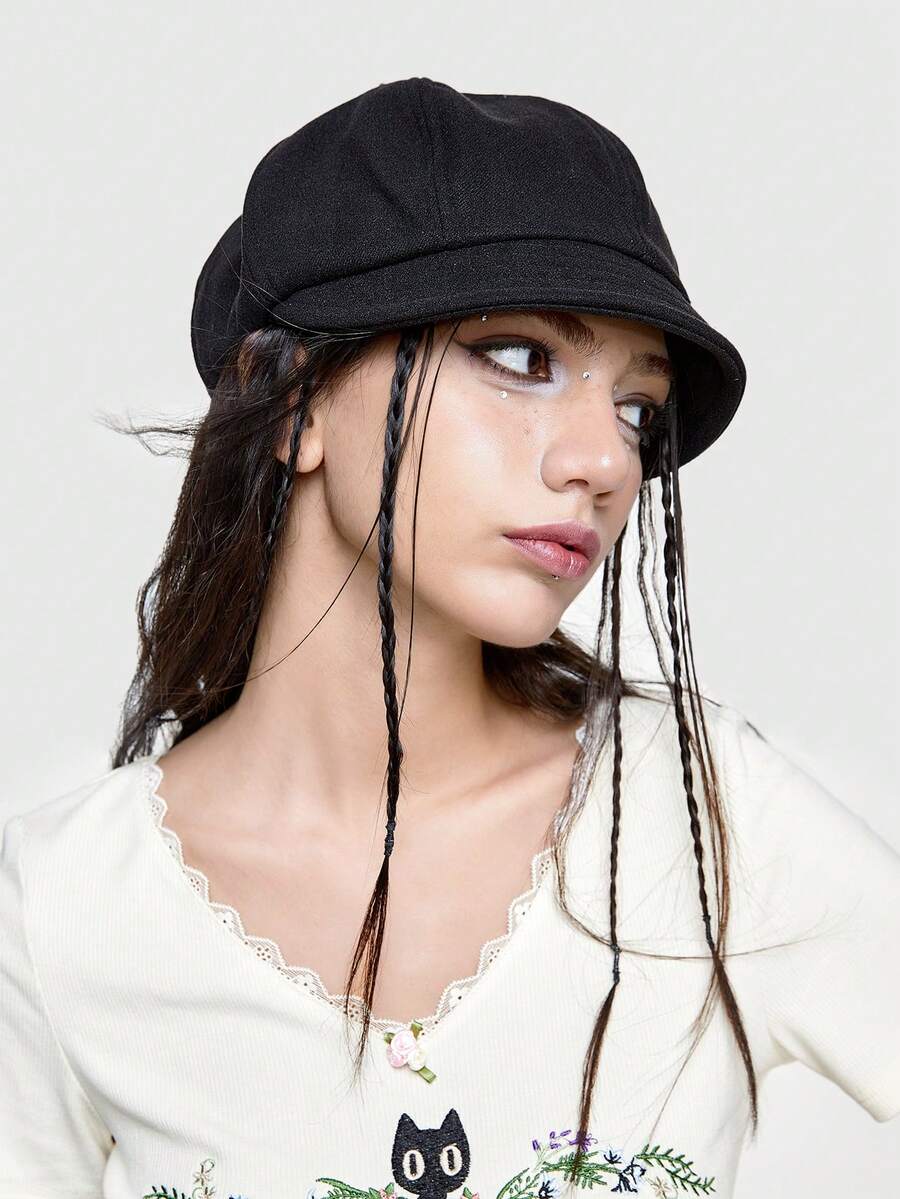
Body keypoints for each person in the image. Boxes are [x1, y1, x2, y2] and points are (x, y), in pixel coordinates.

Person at [1, 76, 898, 1199]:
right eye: (521, 358)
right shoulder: (66, 905)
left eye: (637, 408)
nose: (606, 460)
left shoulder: (706, 820)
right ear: (292, 401)